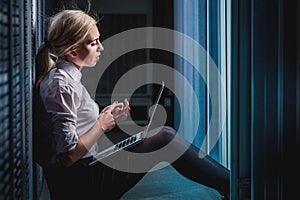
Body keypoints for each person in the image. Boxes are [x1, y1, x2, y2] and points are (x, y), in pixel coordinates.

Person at [33, 9, 230, 200]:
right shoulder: (62, 86)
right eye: (93, 43)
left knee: (161, 136)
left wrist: (107, 114)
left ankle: (231, 185)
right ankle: (236, 186)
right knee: (165, 138)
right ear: (73, 51)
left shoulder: (65, 79)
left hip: (86, 169)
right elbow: (68, 157)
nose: (101, 47)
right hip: (80, 185)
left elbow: (74, 125)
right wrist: (101, 124)